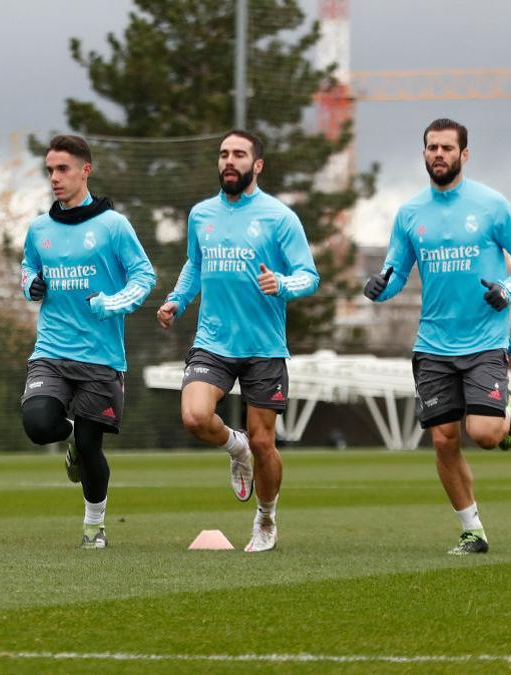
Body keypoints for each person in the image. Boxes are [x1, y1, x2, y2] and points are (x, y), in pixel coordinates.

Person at [363, 118, 511, 556]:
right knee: (443, 438)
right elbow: (396, 272)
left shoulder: (492, 205)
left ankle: (506, 415)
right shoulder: (409, 214)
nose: (438, 154)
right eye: (431, 147)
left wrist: (509, 289)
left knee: (483, 433)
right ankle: (472, 530)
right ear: (423, 153)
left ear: (464, 154)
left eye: (446, 148)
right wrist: (379, 289)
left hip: (484, 340)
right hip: (432, 345)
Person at [157, 130, 319, 553]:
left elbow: (309, 276)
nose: (230, 161)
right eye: (224, 154)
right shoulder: (201, 214)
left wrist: (281, 283)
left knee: (266, 443)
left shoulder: (279, 217)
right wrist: (177, 299)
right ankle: (235, 446)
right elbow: (195, 263)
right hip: (213, 341)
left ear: (257, 165)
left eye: (239, 154)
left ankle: (265, 519)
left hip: (264, 348)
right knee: (194, 417)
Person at [20, 134, 155, 549]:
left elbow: (144, 277)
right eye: (49, 171)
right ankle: (71, 431)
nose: (55, 178)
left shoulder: (113, 225)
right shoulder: (39, 229)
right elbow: (27, 270)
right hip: (52, 351)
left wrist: (112, 303)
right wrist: (32, 285)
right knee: (38, 425)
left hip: (101, 356)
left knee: (90, 448)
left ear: (85, 171)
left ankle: (94, 526)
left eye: (62, 169)